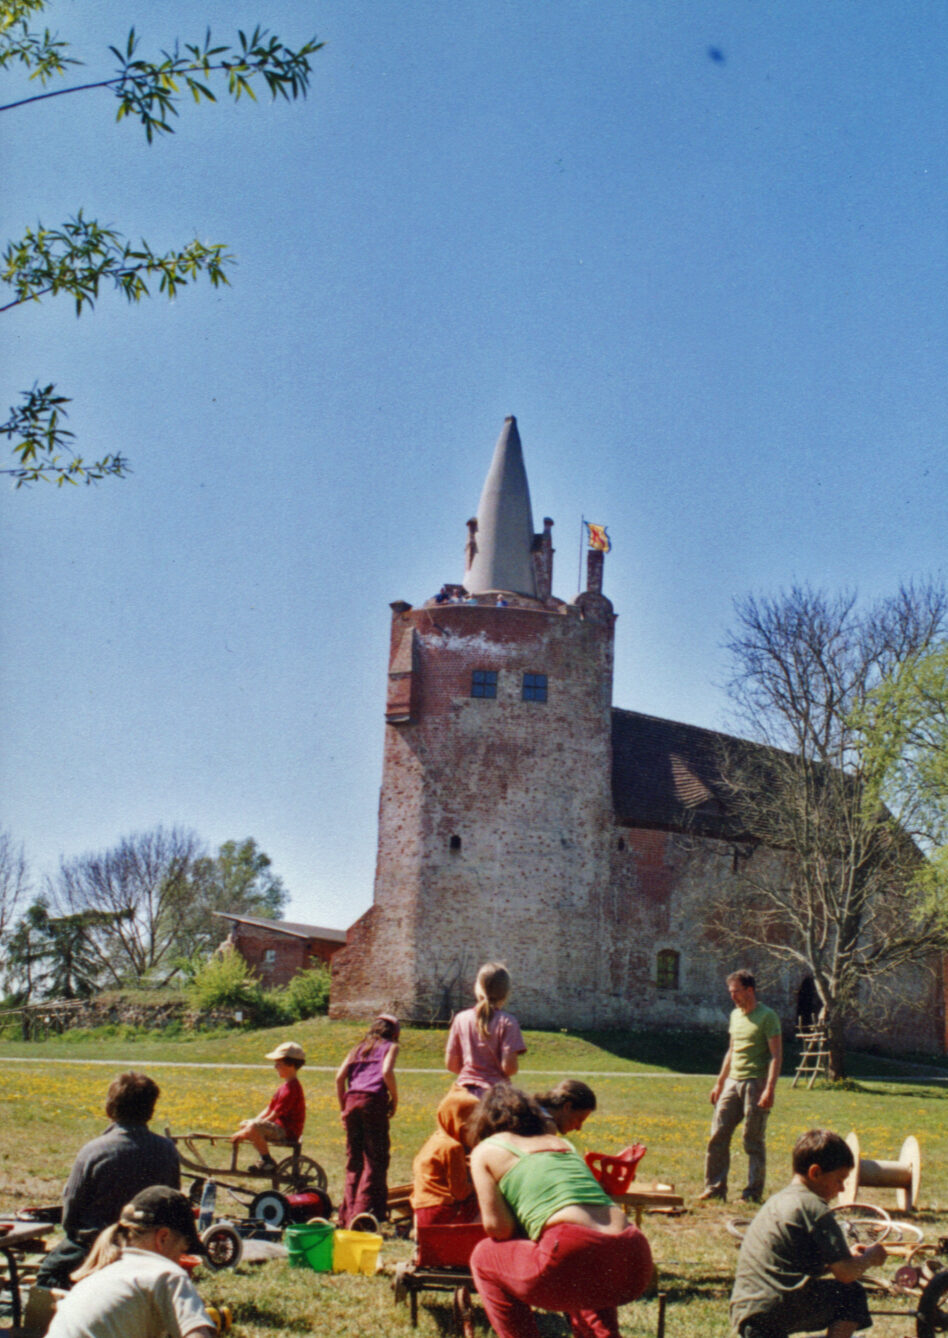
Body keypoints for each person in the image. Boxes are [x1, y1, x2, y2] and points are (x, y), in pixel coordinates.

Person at [468, 1085, 653, 1338]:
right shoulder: (561, 1144)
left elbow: (498, 1228)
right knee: (588, 1260)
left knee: (483, 1256)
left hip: (572, 1249)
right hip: (634, 1257)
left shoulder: (486, 1150)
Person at [730, 1129, 885, 1338]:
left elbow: (789, 1264)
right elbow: (846, 1274)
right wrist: (869, 1258)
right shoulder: (814, 1207)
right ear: (815, 1173)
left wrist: (840, 1256)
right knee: (852, 1294)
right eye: (840, 1179)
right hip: (775, 1308)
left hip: (749, 1312)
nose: (841, 1189)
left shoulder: (779, 1200)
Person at [36, 1071, 181, 1289]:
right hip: (148, 1249)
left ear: (110, 1108)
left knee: (48, 1275)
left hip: (96, 1247)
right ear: (150, 1111)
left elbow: (71, 1214)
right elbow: (173, 1201)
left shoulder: (94, 1151)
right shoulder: (167, 1150)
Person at [46, 1185, 216, 1338]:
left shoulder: (100, 1277)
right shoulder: (167, 1273)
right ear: (163, 1238)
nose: (180, 1261)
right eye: (181, 1251)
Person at [700, 969, 782, 1203]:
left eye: (736, 991)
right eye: (730, 992)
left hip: (756, 1083)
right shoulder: (735, 1016)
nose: (733, 996)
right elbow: (731, 1050)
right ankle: (715, 1188)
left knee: (752, 1138)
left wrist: (769, 1088)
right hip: (733, 1082)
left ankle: (752, 1193)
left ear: (750, 990)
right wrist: (719, 1083)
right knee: (717, 1134)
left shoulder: (768, 1017)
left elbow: (776, 1055)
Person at [336, 1013, 400, 1226]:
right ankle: (364, 1215)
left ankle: (346, 1215)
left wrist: (342, 1107)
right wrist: (395, 1098)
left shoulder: (358, 1048)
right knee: (375, 1159)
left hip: (352, 1100)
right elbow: (387, 1071)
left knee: (354, 1160)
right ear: (394, 1032)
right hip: (373, 1102)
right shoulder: (390, 1046)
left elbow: (339, 1077)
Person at [445, 962, 526, 1096]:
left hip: (463, 1091)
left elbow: (451, 1065)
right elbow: (509, 1068)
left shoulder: (461, 1018)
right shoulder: (508, 1022)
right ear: (506, 992)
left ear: (478, 988)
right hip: (495, 1096)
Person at [229, 1039, 306, 1174]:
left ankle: (268, 1161)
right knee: (246, 1124)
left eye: (278, 1064)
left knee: (253, 1127)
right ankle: (263, 1160)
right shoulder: (284, 1086)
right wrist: (250, 1125)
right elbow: (269, 1109)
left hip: (287, 1132)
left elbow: (273, 1115)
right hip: (279, 1128)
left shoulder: (292, 1089)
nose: (275, 1067)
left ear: (291, 1065)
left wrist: (251, 1128)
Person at [411, 1085, 480, 1227]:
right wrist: (478, 1185)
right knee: (485, 1198)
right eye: (470, 1128)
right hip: (441, 1213)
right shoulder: (453, 1147)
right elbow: (460, 1192)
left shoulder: (436, 1139)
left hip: (422, 1212)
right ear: (456, 1122)